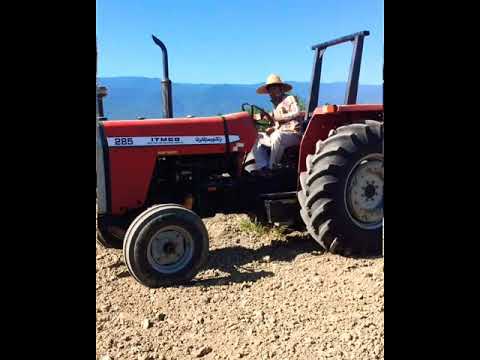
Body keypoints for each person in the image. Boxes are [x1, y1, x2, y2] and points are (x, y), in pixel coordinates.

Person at [251, 74, 302, 172]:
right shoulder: (276, 105)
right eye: (270, 90)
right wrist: (272, 127)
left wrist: (279, 118)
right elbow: (277, 122)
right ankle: (263, 167)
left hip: (293, 134)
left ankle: (272, 168)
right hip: (281, 133)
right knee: (256, 136)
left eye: (274, 88)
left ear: (281, 88)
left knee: (276, 136)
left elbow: (297, 112)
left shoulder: (289, 99)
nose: (271, 92)